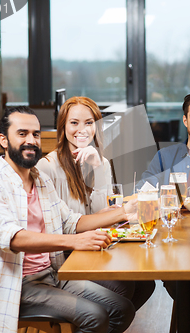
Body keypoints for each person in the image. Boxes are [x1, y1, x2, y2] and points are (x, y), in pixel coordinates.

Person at [0, 106, 138, 333]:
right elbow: (14, 239)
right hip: (19, 284)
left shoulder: (41, 181)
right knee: (95, 316)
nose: (31, 140)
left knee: (123, 308)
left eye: (36, 134)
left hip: (52, 273)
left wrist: (125, 212)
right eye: (22, 133)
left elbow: (72, 222)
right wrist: (75, 241)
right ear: (4, 140)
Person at [36, 96, 155, 310]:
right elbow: (62, 227)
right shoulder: (47, 167)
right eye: (74, 122)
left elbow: (102, 217)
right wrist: (118, 214)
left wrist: (98, 167)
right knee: (122, 289)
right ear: (62, 127)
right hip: (65, 258)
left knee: (146, 284)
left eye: (89, 123)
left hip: (93, 249)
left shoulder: (101, 162)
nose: (81, 129)